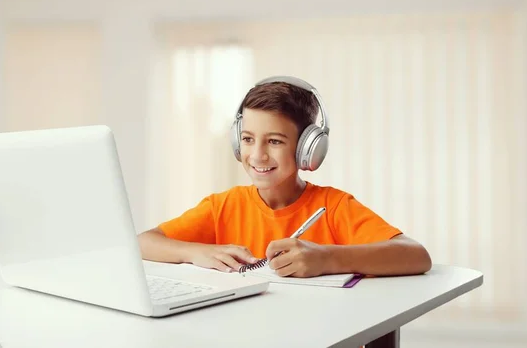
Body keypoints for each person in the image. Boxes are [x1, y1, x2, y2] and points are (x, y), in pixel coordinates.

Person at [138, 76, 432, 278]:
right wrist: (195, 253)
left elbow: (415, 255)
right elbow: (143, 242)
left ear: (308, 149)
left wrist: (328, 259)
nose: (257, 155)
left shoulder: (333, 206)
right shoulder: (222, 207)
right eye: (249, 139)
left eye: (275, 141)